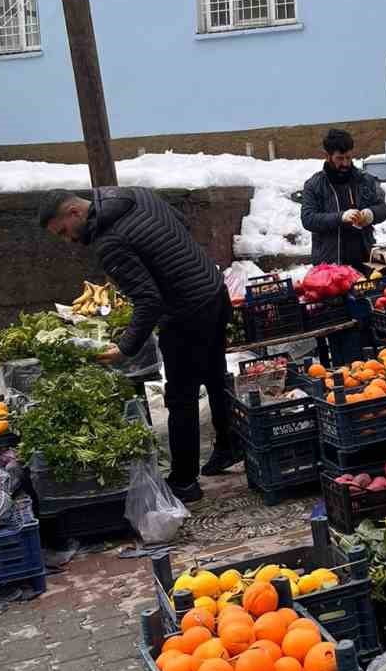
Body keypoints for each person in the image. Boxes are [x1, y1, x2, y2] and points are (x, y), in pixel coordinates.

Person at [38, 187, 238, 502]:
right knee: (214, 374)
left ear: (75, 212)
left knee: (180, 398)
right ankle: (229, 445)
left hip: (185, 312)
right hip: (212, 289)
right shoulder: (135, 194)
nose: (68, 240)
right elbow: (180, 222)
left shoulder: (109, 242)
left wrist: (125, 347)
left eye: (64, 231)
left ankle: (185, 482)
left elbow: (148, 301)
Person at [300, 128, 386, 273]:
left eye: (348, 158)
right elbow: (308, 219)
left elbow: (382, 209)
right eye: (340, 159)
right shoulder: (314, 185)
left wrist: (370, 214)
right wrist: (341, 217)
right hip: (330, 265)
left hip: (367, 259)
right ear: (327, 156)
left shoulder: (365, 180)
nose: (346, 163)